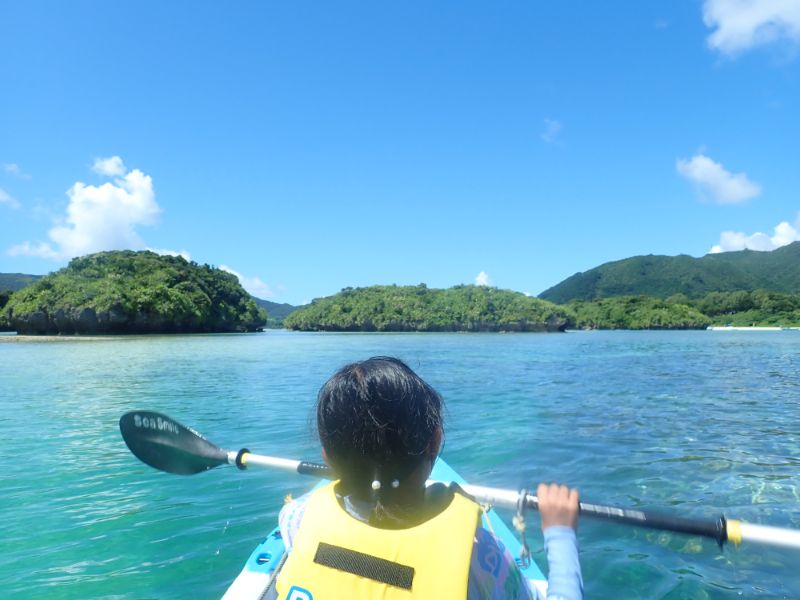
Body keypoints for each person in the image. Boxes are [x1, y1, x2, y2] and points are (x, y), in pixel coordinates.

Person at [273, 356, 583, 599]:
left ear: (327, 456)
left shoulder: (295, 519)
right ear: (434, 441)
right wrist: (560, 533)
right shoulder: (481, 558)